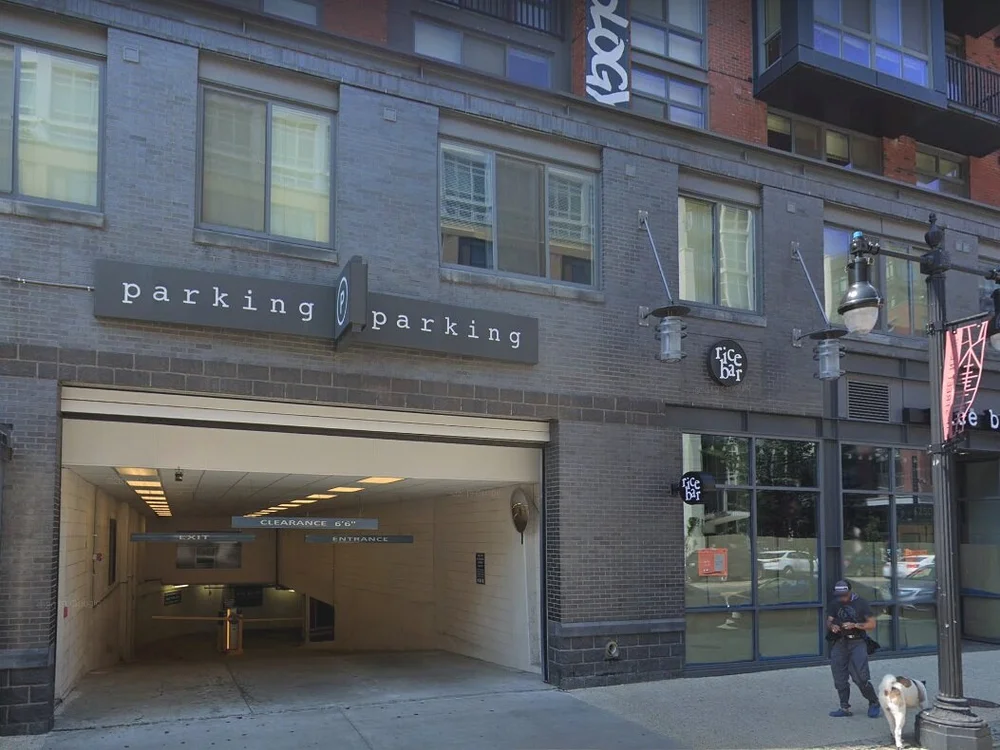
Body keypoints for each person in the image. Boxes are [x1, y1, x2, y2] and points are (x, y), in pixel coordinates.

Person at [827, 580, 880, 718]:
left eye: (844, 595)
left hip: (857, 642)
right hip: (840, 642)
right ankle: (844, 707)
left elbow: (872, 624)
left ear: (850, 591)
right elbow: (829, 620)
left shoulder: (861, 603)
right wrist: (832, 626)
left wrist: (855, 625)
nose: (842, 598)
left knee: (860, 677)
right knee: (839, 677)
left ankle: (874, 702)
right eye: (839, 595)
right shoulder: (835, 603)